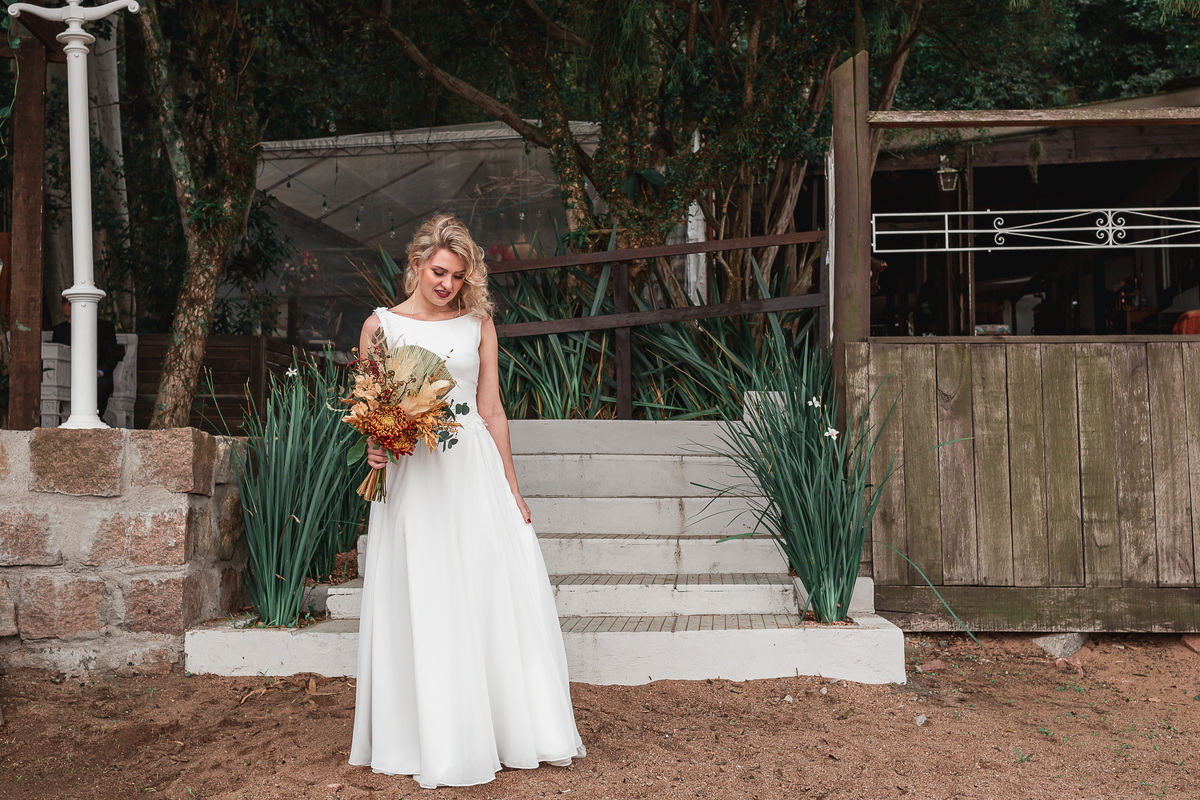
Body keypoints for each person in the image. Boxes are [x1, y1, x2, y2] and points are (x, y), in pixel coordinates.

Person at [349, 215, 585, 788]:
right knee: (423, 591)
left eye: (456, 275)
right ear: (416, 265)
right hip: (414, 475)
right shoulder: (380, 326)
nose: (445, 284)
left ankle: (500, 728)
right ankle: (425, 734)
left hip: (471, 468)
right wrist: (377, 445)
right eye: (437, 272)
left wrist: (512, 485)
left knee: (485, 590)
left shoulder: (478, 326)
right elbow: (369, 403)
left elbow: (492, 409)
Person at [50, 298, 123, 417]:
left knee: (100, 386)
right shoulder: (60, 330)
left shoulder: (104, 328)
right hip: (67, 376)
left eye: (72, 316)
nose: (69, 321)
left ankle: (94, 418)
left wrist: (98, 372)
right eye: (66, 316)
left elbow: (112, 356)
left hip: (96, 376)